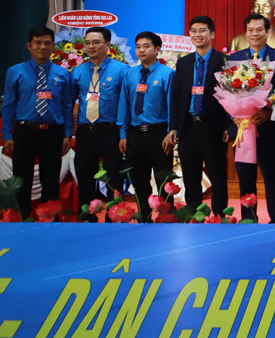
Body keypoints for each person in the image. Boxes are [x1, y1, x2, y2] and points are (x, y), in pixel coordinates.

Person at [227, 13, 275, 222]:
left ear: (267, 32)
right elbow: (227, 92)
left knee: (272, 176)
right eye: (250, 30)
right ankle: (249, 219)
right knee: (245, 177)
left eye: (259, 30)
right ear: (245, 33)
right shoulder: (235, 58)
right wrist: (235, 116)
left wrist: (269, 112)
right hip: (243, 129)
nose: (254, 34)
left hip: (268, 127)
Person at [1, 26, 72, 219]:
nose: (43, 46)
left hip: (53, 133)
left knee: (50, 180)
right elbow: (8, 105)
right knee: (21, 180)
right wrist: (7, 135)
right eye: (38, 43)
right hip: (25, 132)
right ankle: (22, 222)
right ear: (29, 45)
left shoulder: (63, 74)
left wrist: (67, 133)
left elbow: (67, 106)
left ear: (52, 46)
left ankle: (52, 222)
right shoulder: (15, 72)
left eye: (47, 43)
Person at [167, 16, 230, 216]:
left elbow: (231, 96)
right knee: (190, 175)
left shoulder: (224, 61)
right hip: (188, 127)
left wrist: (229, 125)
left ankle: (220, 215)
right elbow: (177, 97)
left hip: (214, 127)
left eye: (202, 30)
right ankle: (193, 214)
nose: (197, 35)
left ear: (212, 34)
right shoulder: (183, 63)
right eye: (193, 31)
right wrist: (174, 127)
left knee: (218, 174)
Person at [117, 31, 174, 221]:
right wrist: (123, 133)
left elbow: (171, 105)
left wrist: (170, 132)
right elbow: (124, 104)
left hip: (158, 134)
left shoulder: (167, 74)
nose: (141, 50)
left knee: (163, 181)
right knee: (139, 181)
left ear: (157, 49)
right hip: (134, 134)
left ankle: (167, 218)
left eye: (146, 46)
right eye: (138, 46)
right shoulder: (130, 73)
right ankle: (144, 217)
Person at [71, 26, 128, 215]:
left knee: (114, 180)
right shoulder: (77, 72)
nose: (91, 46)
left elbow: (125, 105)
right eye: (87, 43)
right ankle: (88, 220)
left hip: (110, 132)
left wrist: (123, 134)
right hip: (86, 132)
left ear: (108, 45)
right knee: (85, 179)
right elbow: (68, 104)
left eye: (96, 42)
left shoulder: (121, 71)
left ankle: (116, 220)